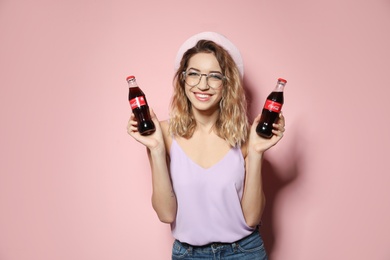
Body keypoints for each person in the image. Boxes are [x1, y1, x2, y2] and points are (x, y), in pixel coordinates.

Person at [127, 32, 285, 260]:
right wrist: (156, 149)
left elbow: (251, 218)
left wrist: (257, 151)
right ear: (183, 79)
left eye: (214, 76)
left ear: (226, 83)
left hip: (243, 253)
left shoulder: (247, 136)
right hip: (188, 254)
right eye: (194, 74)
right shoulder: (160, 133)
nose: (203, 85)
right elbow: (165, 213)